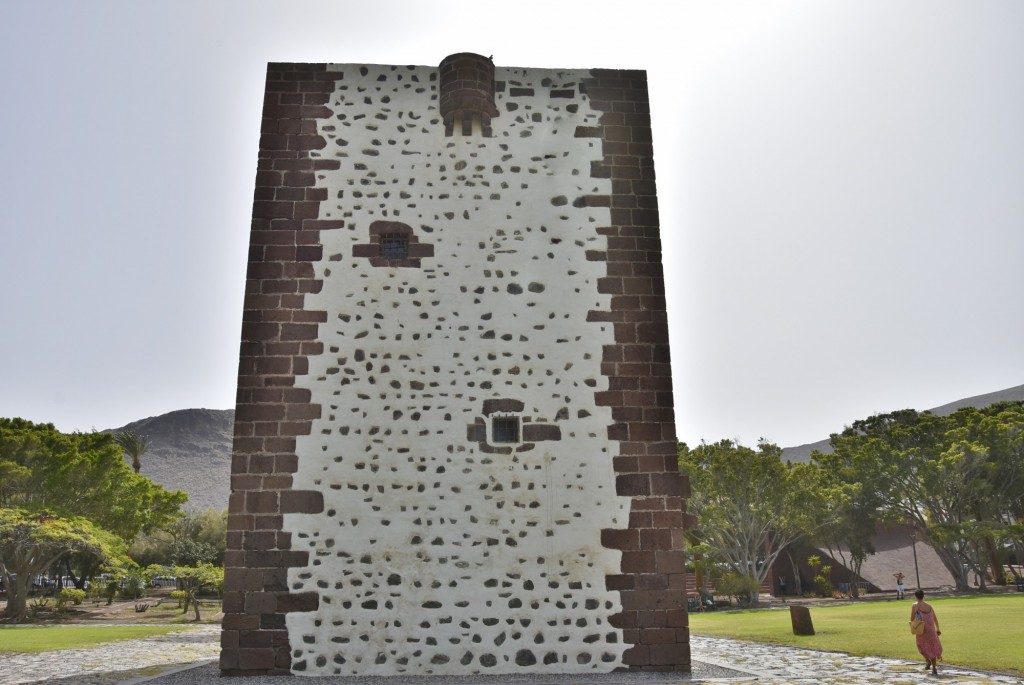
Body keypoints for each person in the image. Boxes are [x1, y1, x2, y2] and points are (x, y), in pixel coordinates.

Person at [910, 589, 942, 675]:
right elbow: (935, 618)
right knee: (932, 647)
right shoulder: (929, 606)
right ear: (923, 596)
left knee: (921, 645)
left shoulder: (915, 605)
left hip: (922, 630)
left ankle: (928, 660)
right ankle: (934, 667)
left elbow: (912, 619)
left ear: (916, 596)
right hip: (931, 629)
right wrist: (938, 629)